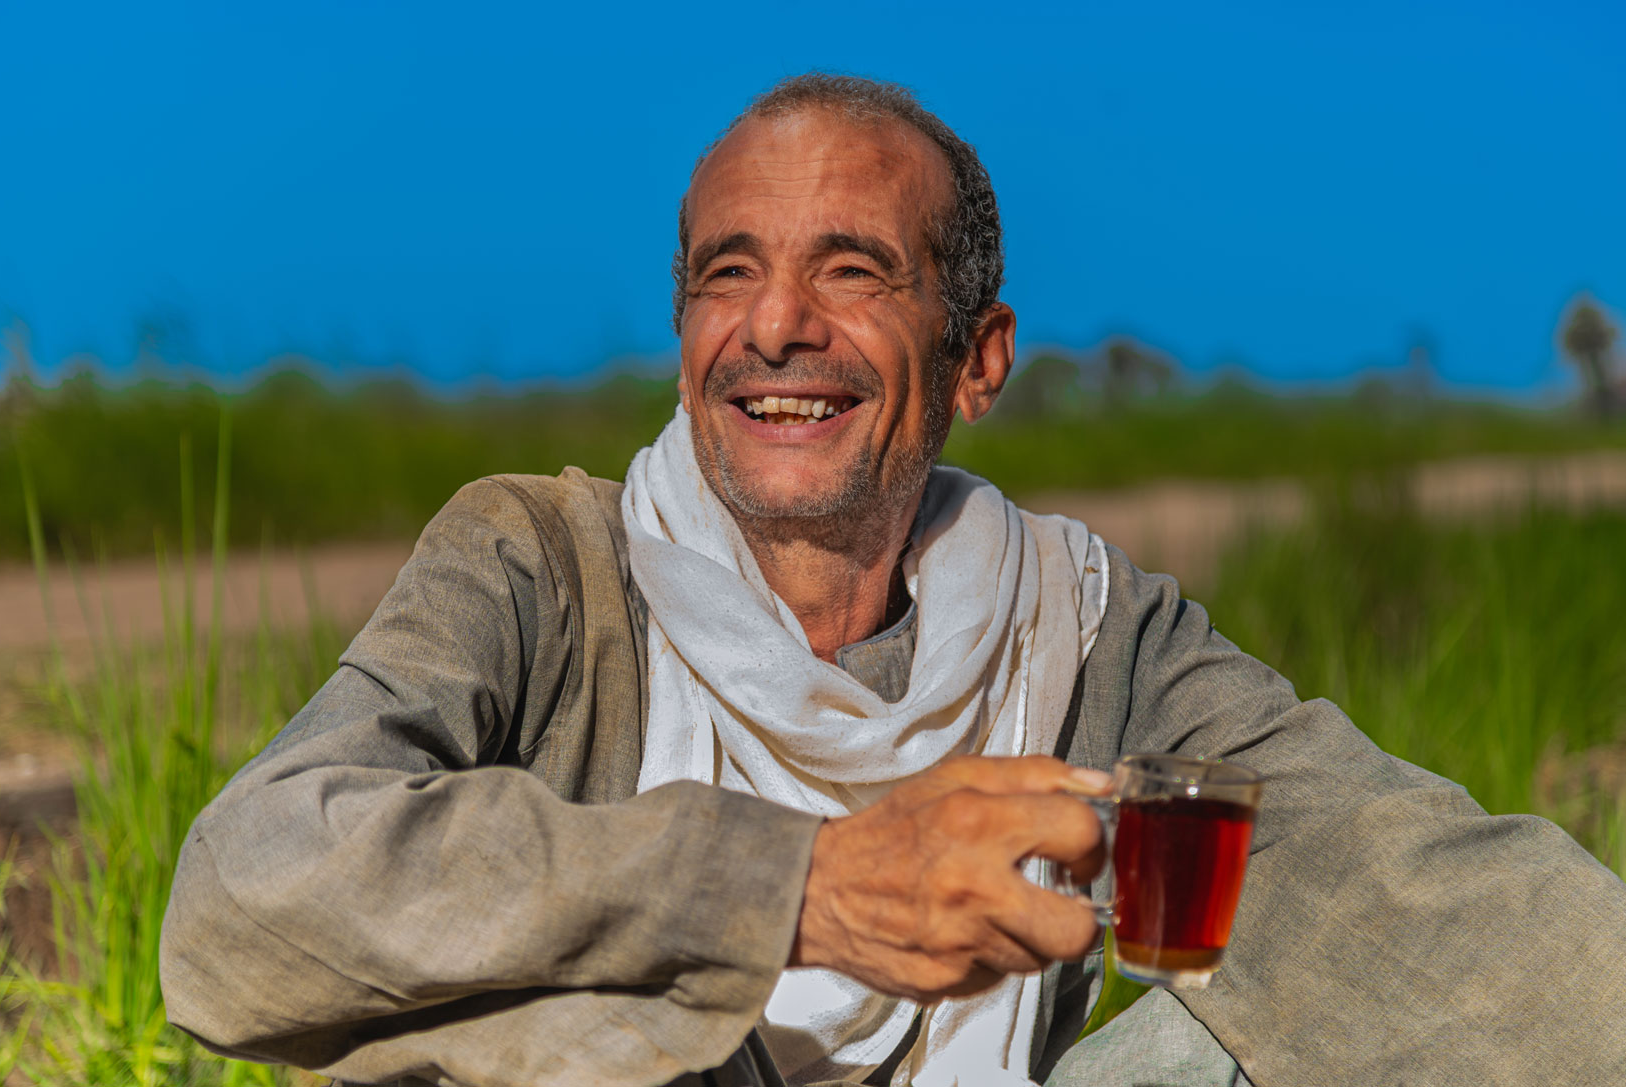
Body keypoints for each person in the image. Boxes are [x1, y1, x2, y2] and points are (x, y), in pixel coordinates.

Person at [160, 74, 1626, 1087]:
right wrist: (791, 887)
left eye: (851, 271)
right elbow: (246, 893)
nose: (776, 325)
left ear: (976, 359)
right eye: (727, 274)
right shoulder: (538, 565)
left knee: (1314, 1015)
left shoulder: (1088, 629)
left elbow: (1416, 896)